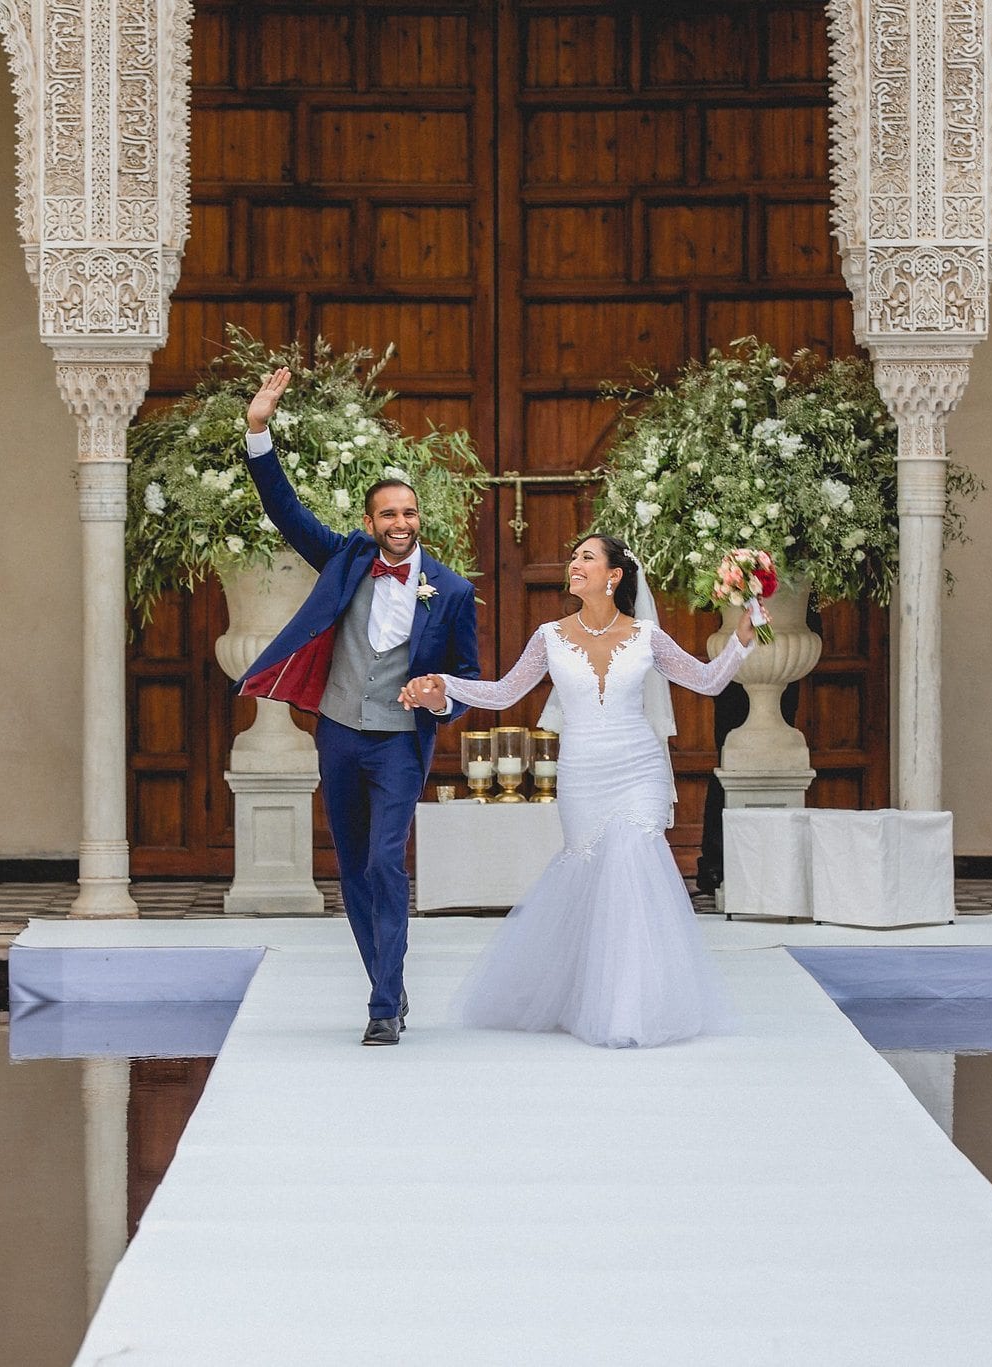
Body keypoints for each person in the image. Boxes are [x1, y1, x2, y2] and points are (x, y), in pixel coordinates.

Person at [400, 535, 762, 1048]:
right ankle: (578, 994)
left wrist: (742, 638)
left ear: (614, 576)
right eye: (573, 557)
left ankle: (631, 1010)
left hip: (638, 769)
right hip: (583, 774)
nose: (574, 564)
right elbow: (505, 692)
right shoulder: (549, 636)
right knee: (592, 870)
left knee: (631, 860)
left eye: (586, 558)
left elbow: (705, 682)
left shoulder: (647, 636)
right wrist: (445, 683)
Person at [236, 367, 480, 1046]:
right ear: (369, 522)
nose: (399, 523)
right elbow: (284, 510)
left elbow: (465, 675)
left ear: (418, 519)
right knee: (349, 866)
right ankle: (390, 983)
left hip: (401, 742)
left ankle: (380, 1006)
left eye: (408, 513)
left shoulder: (452, 591)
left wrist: (440, 695)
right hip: (340, 733)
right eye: (388, 514)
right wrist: (259, 430)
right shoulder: (344, 559)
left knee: (384, 862)